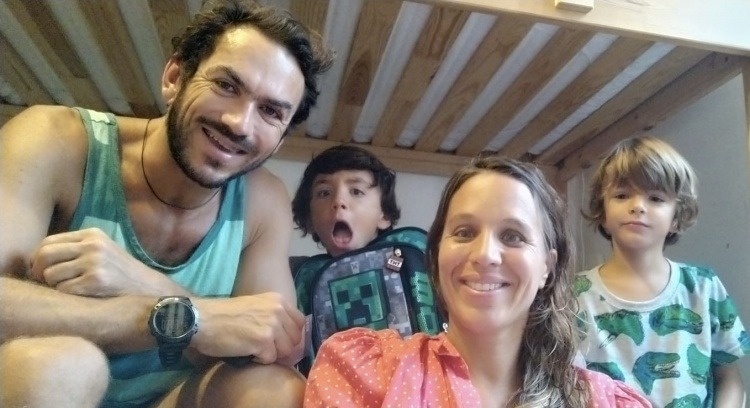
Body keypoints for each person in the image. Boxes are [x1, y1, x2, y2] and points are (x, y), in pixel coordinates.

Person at [0, 1, 333, 407]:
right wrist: (170, 317)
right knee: (65, 366)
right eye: (226, 86)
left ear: (280, 140)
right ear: (175, 78)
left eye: (270, 111)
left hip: (172, 399)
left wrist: (147, 286)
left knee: (277, 390)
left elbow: (273, 346)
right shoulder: (56, 140)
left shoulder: (263, 202)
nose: (239, 123)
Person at [303, 156, 652, 407]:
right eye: (464, 232)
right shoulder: (365, 372)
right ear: (437, 256)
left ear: (547, 266)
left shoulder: (605, 402)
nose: (485, 254)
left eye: (513, 236)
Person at [575, 136, 748, 407]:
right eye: (622, 195)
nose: (637, 206)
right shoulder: (573, 296)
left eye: (655, 198)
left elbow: (729, 379)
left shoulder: (704, 287)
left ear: (676, 218)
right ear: (603, 213)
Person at [291, 144, 400, 258]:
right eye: (324, 193)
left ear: (385, 215)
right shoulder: (291, 268)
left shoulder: (406, 264)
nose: (338, 201)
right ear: (309, 219)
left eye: (356, 192)